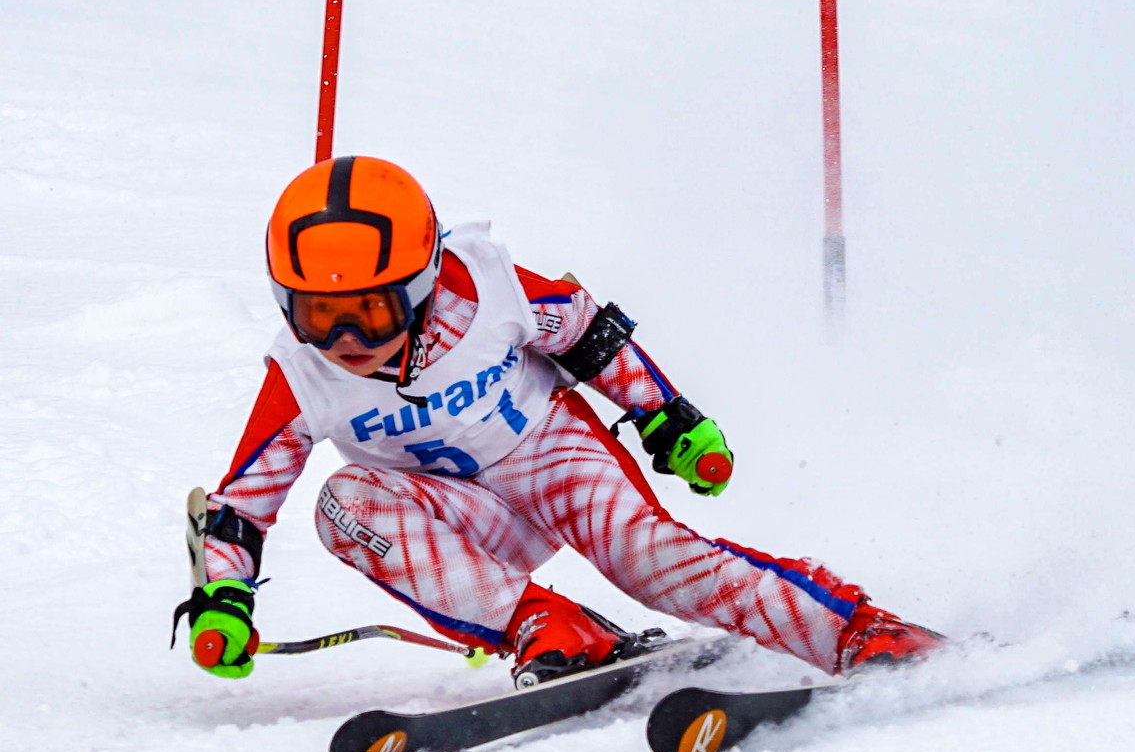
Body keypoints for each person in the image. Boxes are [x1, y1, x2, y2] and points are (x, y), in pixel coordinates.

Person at [179, 155, 941, 684]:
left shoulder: (488, 289)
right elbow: (243, 504)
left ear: (421, 281)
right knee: (346, 504)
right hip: (463, 512)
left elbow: (588, 333)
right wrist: (224, 599)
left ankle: (855, 632)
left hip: (551, 452)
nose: (348, 343)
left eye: (372, 313)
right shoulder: (302, 371)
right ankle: (550, 627)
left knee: (647, 561)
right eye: (320, 317)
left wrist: (668, 418)